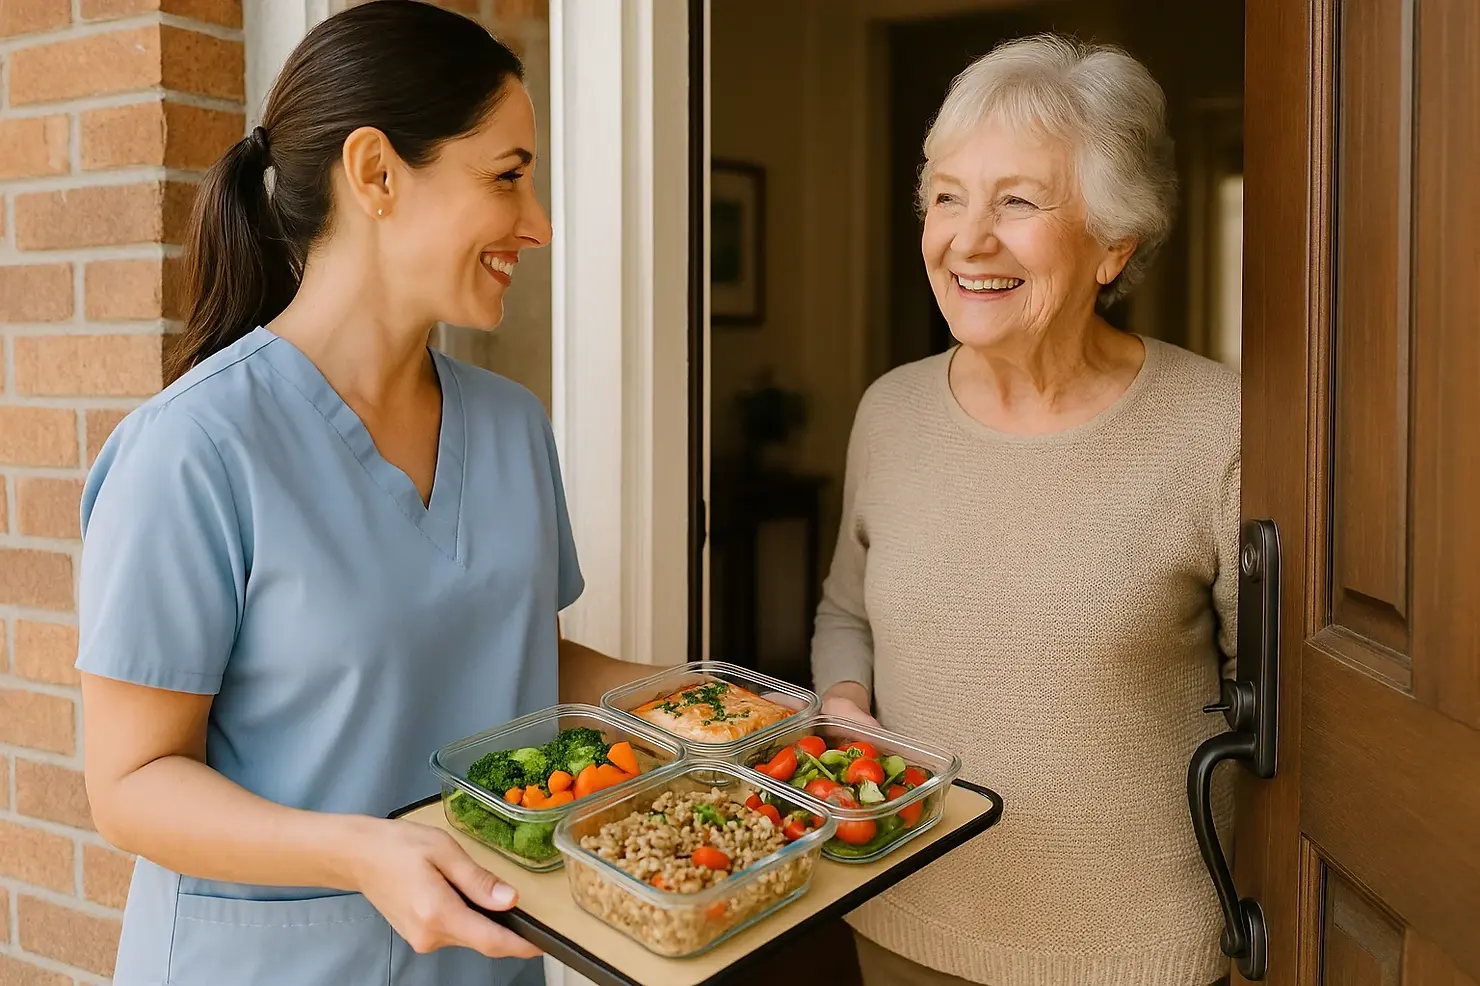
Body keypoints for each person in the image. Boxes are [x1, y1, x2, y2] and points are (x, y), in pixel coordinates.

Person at [75, 3, 655, 983]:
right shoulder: (194, 448)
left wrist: (691, 703)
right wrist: (359, 850)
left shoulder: (510, 424)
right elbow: (132, 784)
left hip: (482, 957)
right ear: (377, 173)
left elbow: (510, 657)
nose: (539, 222)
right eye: (508, 176)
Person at [812, 34, 1239, 986]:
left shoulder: (1218, 428)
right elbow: (847, 612)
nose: (968, 238)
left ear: (1114, 244)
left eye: (1018, 201)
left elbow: (1287, 721)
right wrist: (844, 704)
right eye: (948, 196)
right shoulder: (890, 410)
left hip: (1133, 954)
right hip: (902, 911)